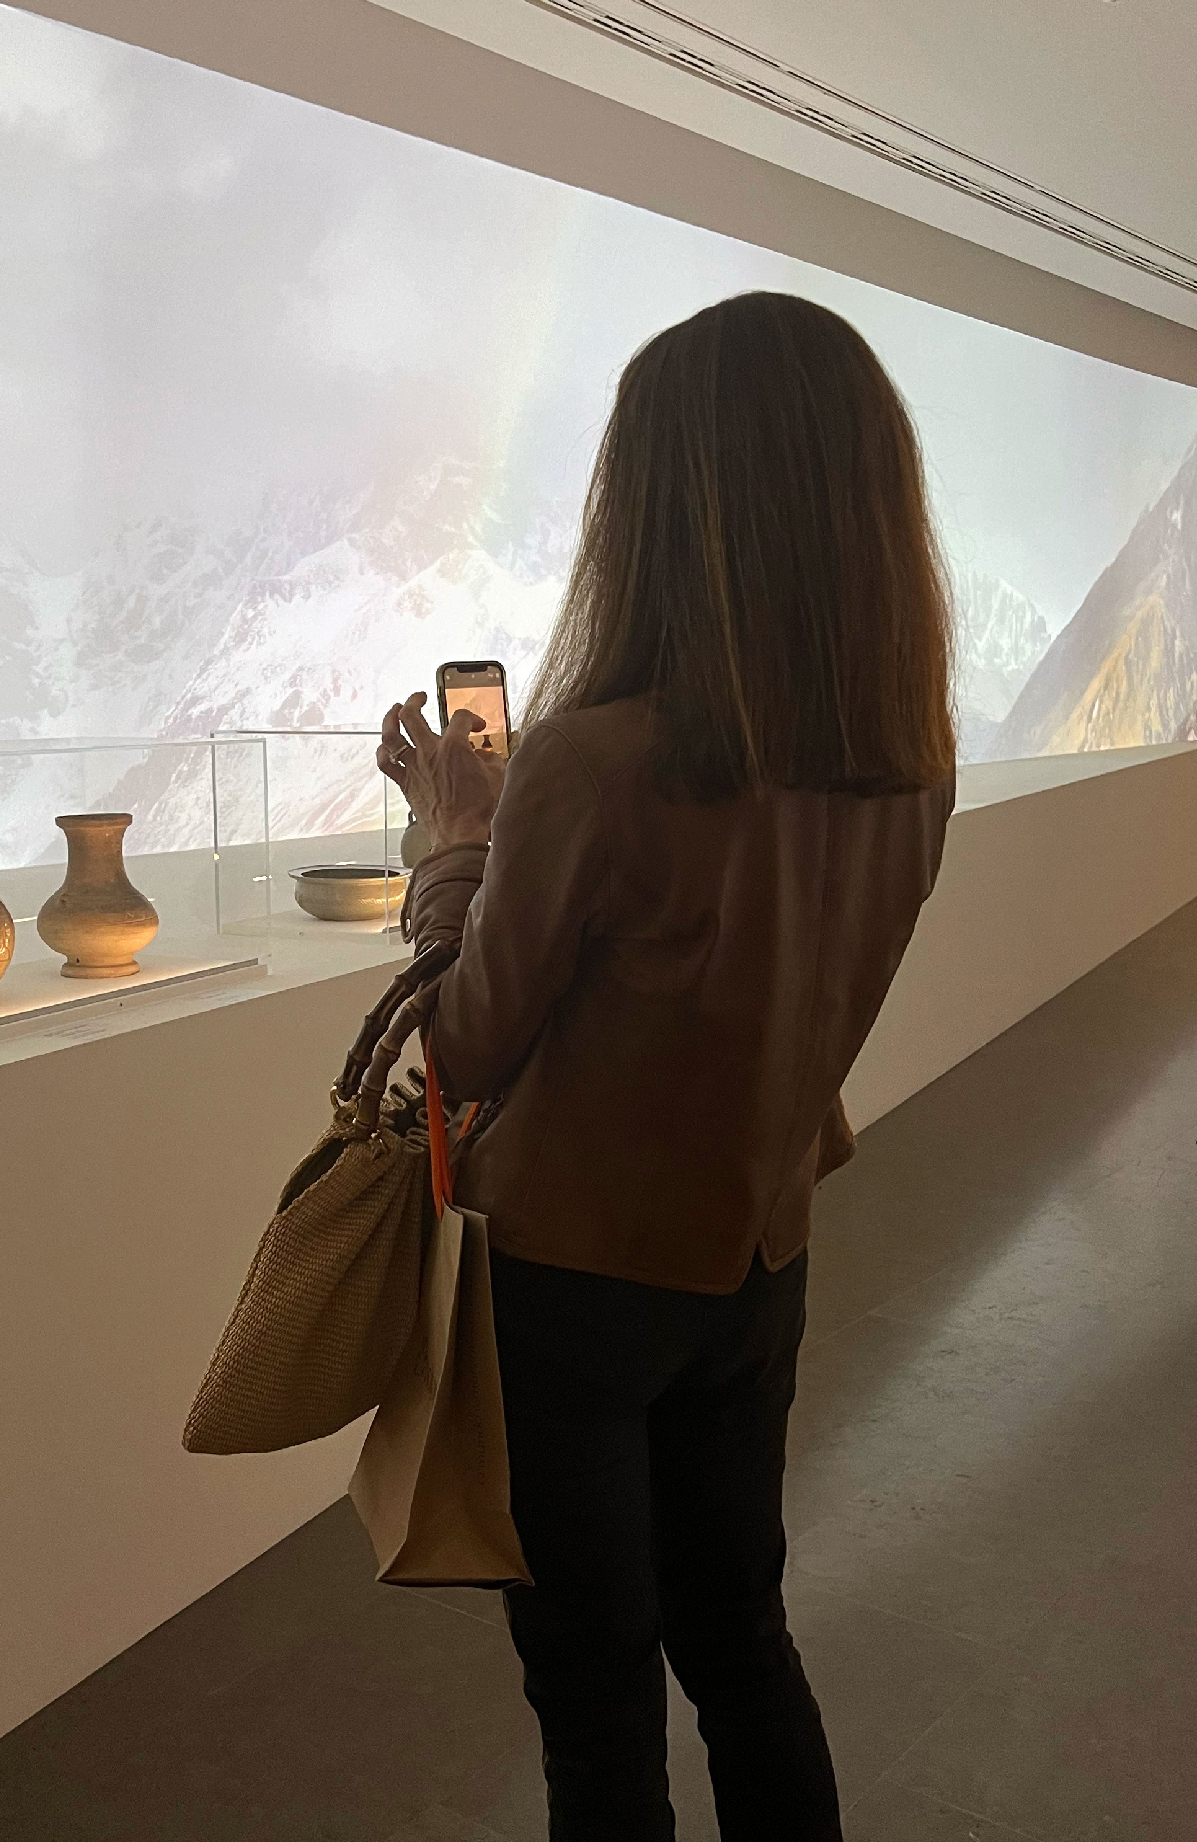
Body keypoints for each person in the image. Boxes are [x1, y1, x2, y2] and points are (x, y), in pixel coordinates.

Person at [375, 291, 954, 1841]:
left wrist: (454, 846)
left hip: (569, 1286)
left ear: (662, 501)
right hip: (757, 1260)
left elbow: (463, 1044)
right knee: (742, 1642)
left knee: (596, 1690)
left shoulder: (593, 759)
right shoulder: (907, 765)